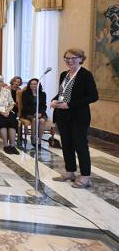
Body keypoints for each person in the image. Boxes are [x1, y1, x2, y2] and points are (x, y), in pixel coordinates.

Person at [51, 48, 98, 188]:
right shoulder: (64, 74)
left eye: (73, 58)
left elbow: (93, 96)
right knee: (66, 145)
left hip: (78, 116)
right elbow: (62, 93)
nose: (69, 61)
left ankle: (85, 176)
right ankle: (70, 171)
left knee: (80, 146)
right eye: (67, 58)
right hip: (62, 115)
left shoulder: (86, 75)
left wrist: (70, 105)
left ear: (80, 59)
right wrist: (55, 100)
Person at [21, 78, 48, 147]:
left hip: (41, 113)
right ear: (29, 85)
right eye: (31, 84)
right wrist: (34, 113)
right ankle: (33, 138)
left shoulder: (43, 94)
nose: (33, 85)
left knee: (42, 120)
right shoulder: (25, 93)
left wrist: (40, 113)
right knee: (35, 119)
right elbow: (25, 106)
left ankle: (39, 141)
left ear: (38, 85)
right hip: (28, 112)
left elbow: (44, 106)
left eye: (35, 84)